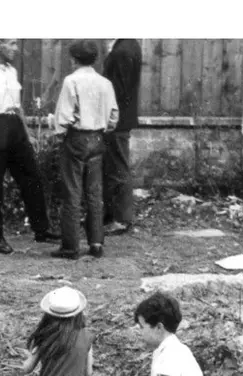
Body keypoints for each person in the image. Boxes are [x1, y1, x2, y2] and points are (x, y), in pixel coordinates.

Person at [0, 39, 60, 255]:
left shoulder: (12, 72)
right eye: (11, 43)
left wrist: (27, 135)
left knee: (32, 178)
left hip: (16, 129)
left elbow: (17, 107)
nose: (16, 48)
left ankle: (41, 230)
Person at [51, 40, 119, 260]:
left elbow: (64, 116)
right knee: (94, 192)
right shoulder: (105, 83)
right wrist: (103, 128)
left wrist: (60, 135)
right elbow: (114, 115)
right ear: (95, 59)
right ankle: (96, 243)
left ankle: (70, 247)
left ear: (74, 59)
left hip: (76, 138)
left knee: (72, 192)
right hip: (98, 138)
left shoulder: (71, 81)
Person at [102, 38, 142, 236]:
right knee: (113, 166)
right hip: (120, 118)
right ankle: (111, 216)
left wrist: (108, 116)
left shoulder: (122, 51)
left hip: (117, 119)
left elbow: (118, 90)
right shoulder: (129, 45)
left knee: (118, 167)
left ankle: (122, 219)